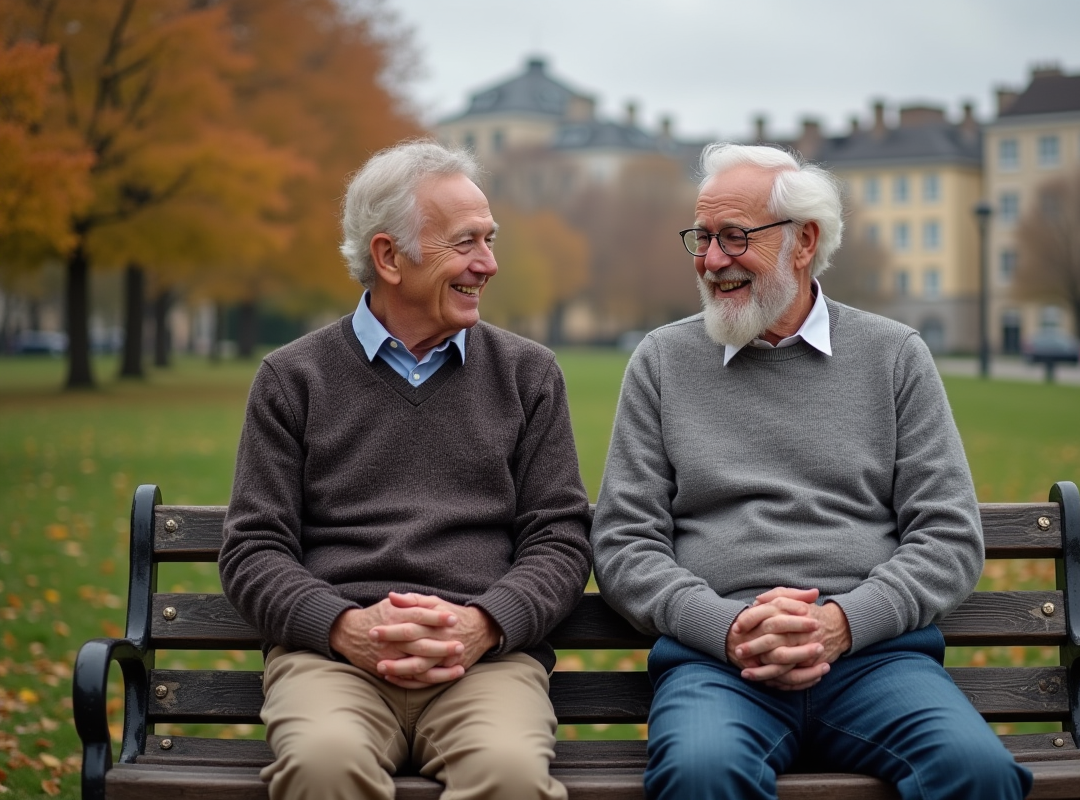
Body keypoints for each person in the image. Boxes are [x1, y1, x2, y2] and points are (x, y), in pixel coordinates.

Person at [591, 142, 1033, 800]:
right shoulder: (662, 361)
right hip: (717, 664)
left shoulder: (893, 357)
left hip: (875, 661)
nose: (712, 261)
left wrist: (844, 624)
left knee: (977, 772)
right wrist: (727, 626)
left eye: (735, 237)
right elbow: (624, 542)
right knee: (701, 774)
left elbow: (947, 535)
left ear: (804, 242)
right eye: (702, 238)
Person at [218, 140, 592, 800]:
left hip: (486, 664)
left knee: (507, 774)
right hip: (333, 662)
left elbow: (560, 540)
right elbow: (253, 550)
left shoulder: (528, 376)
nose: (489, 264)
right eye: (466, 243)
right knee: (323, 764)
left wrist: (482, 626)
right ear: (389, 256)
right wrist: (345, 629)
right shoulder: (292, 379)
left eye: (490, 240)